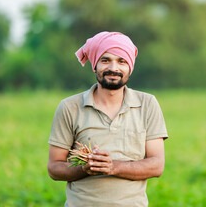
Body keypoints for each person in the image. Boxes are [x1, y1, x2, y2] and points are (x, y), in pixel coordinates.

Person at [47, 31, 168, 207]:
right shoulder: (69, 107)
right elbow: (54, 168)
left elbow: (156, 165)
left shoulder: (147, 104)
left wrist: (113, 167)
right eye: (105, 60)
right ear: (95, 64)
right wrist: (85, 169)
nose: (114, 68)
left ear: (130, 67)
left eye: (121, 61)